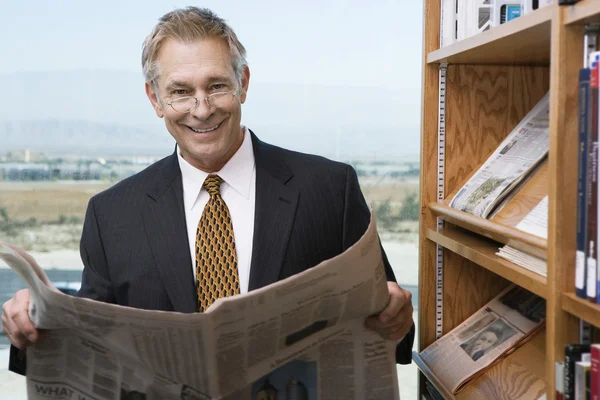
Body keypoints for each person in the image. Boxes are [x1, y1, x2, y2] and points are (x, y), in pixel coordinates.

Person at [2, 7, 414, 375]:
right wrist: (34, 326)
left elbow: (388, 326)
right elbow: (88, 344)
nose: (202, 109)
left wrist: (399, 318)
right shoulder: (111, 215)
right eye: (180, 91)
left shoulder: (330, 190)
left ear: (243, 83)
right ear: (155, 98)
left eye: (217, 86)